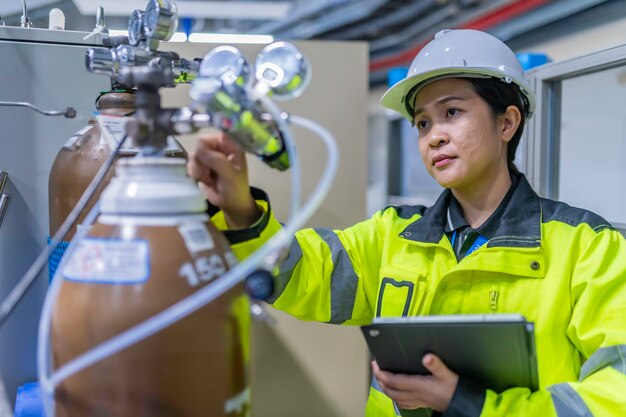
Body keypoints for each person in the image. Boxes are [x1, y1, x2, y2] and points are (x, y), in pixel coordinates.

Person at [187, 29, 626, 417]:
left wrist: (468, 403)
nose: (433, 135)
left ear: (507, 121)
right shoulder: (393, 235)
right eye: (422, 122)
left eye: (452, 112)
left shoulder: (587, 248)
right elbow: (304, 271)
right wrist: (241, 207)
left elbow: (615, 395)